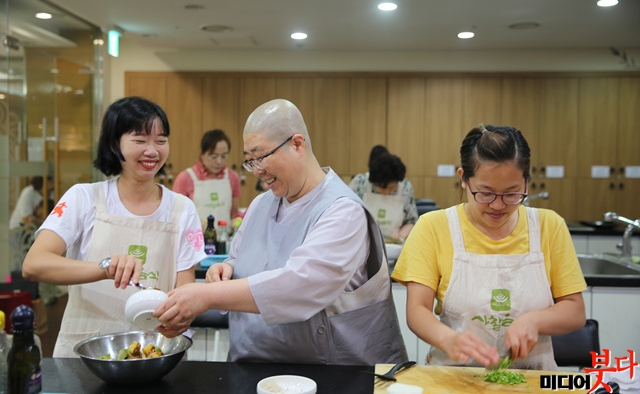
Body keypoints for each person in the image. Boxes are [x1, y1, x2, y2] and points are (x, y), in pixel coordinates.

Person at [155, 98, 407, 365]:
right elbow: (239, 257)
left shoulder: (343, 211)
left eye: (261, 156)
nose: (257, 171)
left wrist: (205, 295)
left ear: (297, 144)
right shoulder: (260, 204)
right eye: (249, 161)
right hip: (253, 366)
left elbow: (300, 286)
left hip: (334, 374)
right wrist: (227, 268)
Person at [21, 96, 207, 357]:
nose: (152, 151)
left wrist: (181, 317)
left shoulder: (182, 208)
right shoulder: (83, 198)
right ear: (113, 144)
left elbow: (184, 286)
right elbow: (34, 264)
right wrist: (104, 268)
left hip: (154, 352)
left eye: (161, 140)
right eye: (140, 140)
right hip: (85, 351)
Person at [391, 124, 587, 370]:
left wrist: (534, 321)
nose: (497, 205)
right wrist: (448, 338)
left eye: (512, 193)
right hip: (454, 376)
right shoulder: (433, 227)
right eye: (485, 193)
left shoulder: (549, 226)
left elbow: (575, 310)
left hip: (532, 377)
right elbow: (417, 310)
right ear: (463, 179)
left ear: (527, 182)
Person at [173, 129, 241, 225]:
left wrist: (237, 221)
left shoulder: (232, 177)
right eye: (213, 156)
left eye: (224, 156)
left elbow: (234, 213)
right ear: (202, 154)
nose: (219, 161)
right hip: (196, 238)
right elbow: (176, 215)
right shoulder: (185, 178)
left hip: (224, 237)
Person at [349, 150, 418, 243]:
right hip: (363, 241)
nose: (387, 192)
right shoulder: (360, 183)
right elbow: (347, 215)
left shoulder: (405, 187)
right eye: (382, 188)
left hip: (393, 244)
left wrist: (399, 236)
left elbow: (411, 221)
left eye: (392, 188)